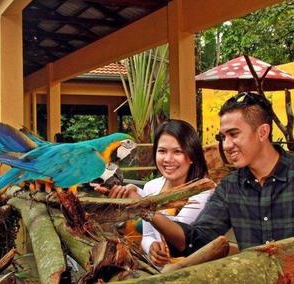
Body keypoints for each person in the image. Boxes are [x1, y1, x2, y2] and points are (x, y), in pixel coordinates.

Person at [146, 92, 294, 260]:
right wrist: (146, 211)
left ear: (262, 132)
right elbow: (196, 241)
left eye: (234, 134)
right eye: (223, 137)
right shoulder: (230, 187)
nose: (226, 145)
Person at [107, 119, 211, 266]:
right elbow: (148, 235)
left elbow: (178, 232)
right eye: (162, 151)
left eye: (178, 151)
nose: (168, 159)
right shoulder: (151, 187)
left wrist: (140, 201)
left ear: (192, 156)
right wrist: (151, 248)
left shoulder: (203, 191)